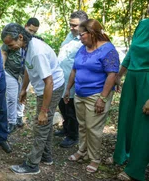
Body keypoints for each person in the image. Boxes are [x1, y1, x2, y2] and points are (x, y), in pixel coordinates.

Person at [2, 23, 64, 174]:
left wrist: (44, 110)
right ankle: (46, 156)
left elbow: (49, 82)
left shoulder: (37, 51)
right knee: (45, 124)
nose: (10, 48)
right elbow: (29, 68)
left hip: (52, 88)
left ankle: (32, 164)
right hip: (45, 88)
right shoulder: (26, 47)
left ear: (21, 37)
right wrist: (23, 89)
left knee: (41, 124)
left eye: (11, 44)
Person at [64, 19, 119, 173]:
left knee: (93, 128)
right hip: (80, 93)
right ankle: (82, 151)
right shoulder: (83, 48)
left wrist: (102, 98)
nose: (79, 38)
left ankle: (94, 158)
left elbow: (112, 75)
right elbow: (74, 70)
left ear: (92, 33)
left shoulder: (108, 50)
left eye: (82, 35)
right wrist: (68, 89)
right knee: (82, 124)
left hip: (97, 95)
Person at [111, 18, 149, 181]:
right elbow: (131, 53)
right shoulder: (143, 24)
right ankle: (122, 155)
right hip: (132, 78)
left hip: (147, 81)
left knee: (143, 126)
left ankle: (135, 170)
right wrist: (119, 75)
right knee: (126, 118)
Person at [2, 17, 42, 133]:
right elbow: (4, 51)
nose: (32, 33)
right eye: (30, 30)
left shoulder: (34, 42)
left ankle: (19, 116)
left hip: (26, 73)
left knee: (22, 94)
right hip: (10, 72)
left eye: (34, 32)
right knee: (11, 97)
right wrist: (2, 66)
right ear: (25, 27)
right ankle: (11, 121)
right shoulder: (13, 35)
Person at [55, 10, 88, 148]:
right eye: (70, 24)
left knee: (71, 109)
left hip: (73, 82)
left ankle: (73, 135)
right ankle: (66, 128)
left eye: (75, 25)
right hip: (61, 79)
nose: (72, 28)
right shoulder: (70, 35)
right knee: (62, 106)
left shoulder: (84, 40)